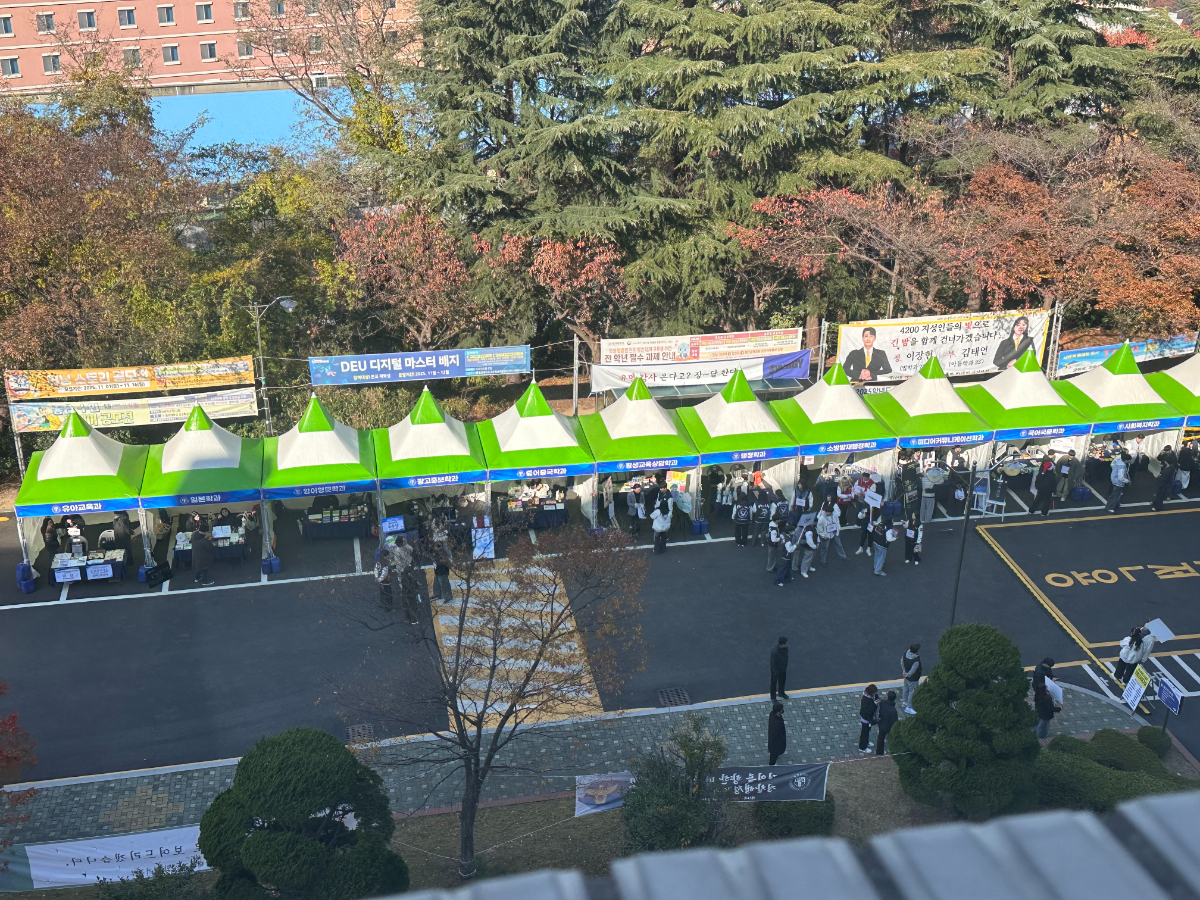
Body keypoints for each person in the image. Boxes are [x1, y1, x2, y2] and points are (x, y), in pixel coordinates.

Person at [816, 500, 846, 566]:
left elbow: (837, 523)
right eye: (828, 513)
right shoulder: (821, 519)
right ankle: (823, 561)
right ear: (825, 511)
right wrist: (824, 536)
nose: (829, 514)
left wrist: (837, 531)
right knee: (824, 549)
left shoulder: (834, 515)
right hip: (826, 536)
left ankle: (843, 556)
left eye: (830, 513)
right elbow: (819, 529)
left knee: (839, 545)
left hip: (834, 533)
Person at [875, 690, 899, 755]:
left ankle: (879, 752)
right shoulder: (893, 710)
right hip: (888, 726)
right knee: (891, 737)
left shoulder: (882, 703)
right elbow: (894, 721)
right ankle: (892, 750)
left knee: (880, 738)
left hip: (881, 723)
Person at [900, 642, 921, 715]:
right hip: (913, 678)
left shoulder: (905, 653)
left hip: (906, 675)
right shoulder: (916, 660)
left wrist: (904, 671)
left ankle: (904, 702)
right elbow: (913, 670)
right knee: (912, 692)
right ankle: (909, 707)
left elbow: (902, 662)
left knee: (905, 688)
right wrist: (908, 674)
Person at [858, 684, 879, 752]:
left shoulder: (873, 696)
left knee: (867, 731)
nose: (875, 694)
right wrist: (874, 704)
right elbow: (867, 711)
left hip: (870, 718)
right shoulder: (865, 700)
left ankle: (866, 742)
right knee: (864, 733)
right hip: (866, 718)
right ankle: (862, 747)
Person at [768, 701, 787, 766]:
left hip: (774, 740)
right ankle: (771, 764)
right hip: (776, 742)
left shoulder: (772, 714)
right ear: (778, 711)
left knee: (774, 752)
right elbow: (778, 735)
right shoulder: (777, 723)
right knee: (774, 754)